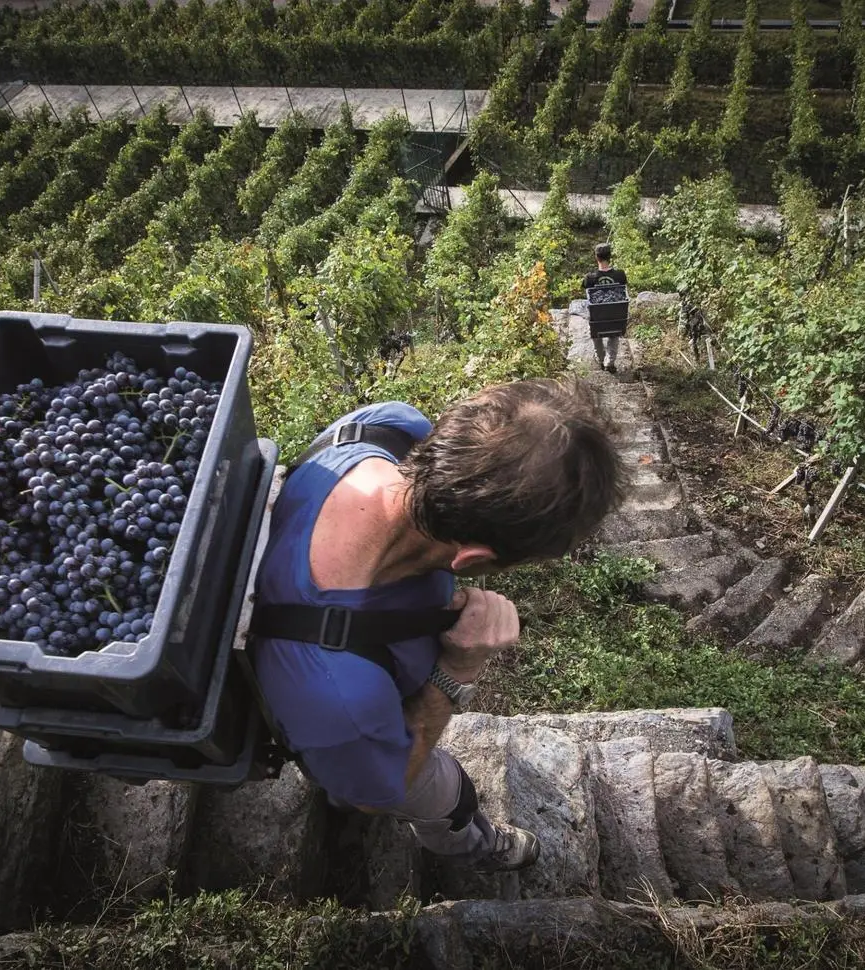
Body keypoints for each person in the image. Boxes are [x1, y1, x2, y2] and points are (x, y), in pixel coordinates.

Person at [249, 378, 627, 873]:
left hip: (336, 720)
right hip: (349, 731)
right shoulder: (341, 690)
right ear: (473, 557)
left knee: (354, 760)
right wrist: (457, 669)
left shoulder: (383, 428)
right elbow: (377, 792)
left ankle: (345, 767)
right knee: (444, 794)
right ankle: (474, 846)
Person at [582, 243, 629, 375]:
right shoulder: (620, 275)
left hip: (598, 317)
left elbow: (586, 291)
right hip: (615, 316)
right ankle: (610, 361)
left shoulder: (589, 278)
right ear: (610, 257)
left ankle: (601, 359)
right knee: (614, 333)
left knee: (596, 331)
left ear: (596, 257)